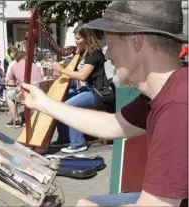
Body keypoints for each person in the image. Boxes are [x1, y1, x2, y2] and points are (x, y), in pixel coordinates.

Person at [15, 1, 187, 207]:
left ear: (136, 42)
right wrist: (43, 103)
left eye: (111, 44)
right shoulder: (165, 91)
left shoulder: (178, 107)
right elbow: (111, 125)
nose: (107, 54)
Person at [50, 25, 113, 153]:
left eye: (78, 39)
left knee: (69, 106)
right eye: (75, 38)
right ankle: (64, 138)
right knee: (59, 99)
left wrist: (62, 70)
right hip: (90, 90)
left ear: (87, 38)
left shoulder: (93, 54)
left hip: (98, 92)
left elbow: (83, 75)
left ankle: (78, 143)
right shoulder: (84, 53)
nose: (75, 41)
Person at [5, 51, 42, 128]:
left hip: (25, 93)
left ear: (16, 59)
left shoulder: (14, 67)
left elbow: (11, 85)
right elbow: (40, 78)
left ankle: (16, 120)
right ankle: (26, 117)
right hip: (38, 91)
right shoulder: (34, 65)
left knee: (8, 95)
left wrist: (14, 86)